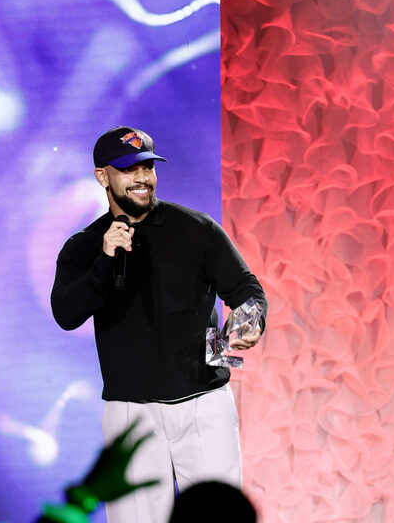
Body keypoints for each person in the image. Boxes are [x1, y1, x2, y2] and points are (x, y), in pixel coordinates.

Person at [51, 126, 267, 523]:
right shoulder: (85, 245)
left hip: (203, 403)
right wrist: (104, 261)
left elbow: (247, 290)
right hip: (130, 411)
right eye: (129, 169)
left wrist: (250, 320)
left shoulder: (196, 230)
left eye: (148, 167)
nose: (143, 178)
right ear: (103, 176)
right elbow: (66, 314)